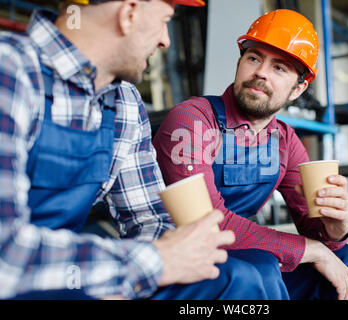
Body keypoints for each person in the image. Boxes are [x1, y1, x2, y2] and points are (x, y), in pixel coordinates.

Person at [0, 0, 274, 300]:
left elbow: (148, 217)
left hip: (79, 274)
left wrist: (155, 265)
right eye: (164, 19)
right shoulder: (11, 71)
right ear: (129, 12)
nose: (165, 40)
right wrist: (150, 262)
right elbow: (6, 252)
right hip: (19, 281)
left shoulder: (125, 102)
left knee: (237, 279)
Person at [153, 9, 348, 300]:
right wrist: (311, 250)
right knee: (262, 268)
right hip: (177, 259)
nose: (260, 72)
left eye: (279, 67)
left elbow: (320, 236)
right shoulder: (192, 121)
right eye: (254, 58)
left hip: (239, 257)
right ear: (241, 62)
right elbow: (204, 223)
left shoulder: (285, 141)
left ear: (298, 89)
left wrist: (334, 228)